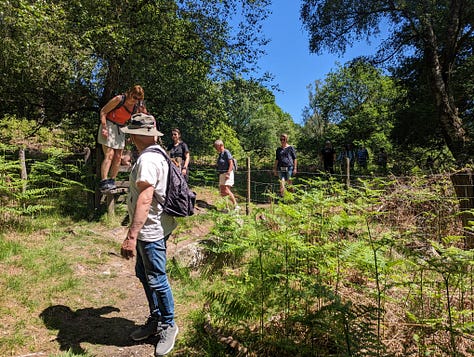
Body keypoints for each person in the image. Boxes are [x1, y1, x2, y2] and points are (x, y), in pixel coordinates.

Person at [119, 113, 179, 356]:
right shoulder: (158, 153)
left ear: (137, 135)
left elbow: (145, 197)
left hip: (151, 229)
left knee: (155, 277)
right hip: (157, 225)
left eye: (132, 134)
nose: (130, 138)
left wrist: (131, 235)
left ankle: (168, 324)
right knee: (143, 272)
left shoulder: (148, 160)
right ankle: (156, 318)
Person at [97, 85, 146, 192]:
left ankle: (112, 181)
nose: (135, 100)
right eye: (134, 97)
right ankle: (104, 181)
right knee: (109, 154)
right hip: (109, 125)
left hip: (120, 128)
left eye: (138, 99)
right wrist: (104, 127)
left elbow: (142, 118)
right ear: (130, 93)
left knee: (118, 156)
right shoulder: (119, 99)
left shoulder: (135, 107)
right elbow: (103, 111)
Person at [214, 139, 239, 211]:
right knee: (222, 191)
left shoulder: (226, 152)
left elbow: (231, 163)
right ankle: (226, 207)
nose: (215, 148)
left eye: (216, 146)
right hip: (221, 173)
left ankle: (236, 205)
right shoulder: (220, 154)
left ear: (221, 145)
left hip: (227, 173)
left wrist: (228, 173)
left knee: (226, 190)